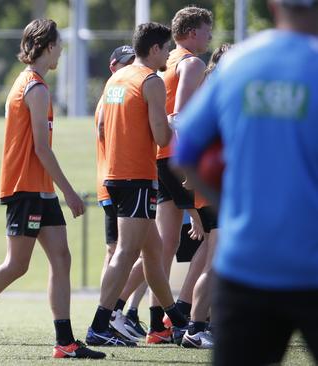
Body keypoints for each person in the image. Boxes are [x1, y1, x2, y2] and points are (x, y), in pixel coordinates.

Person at [0, 19, 105, 360]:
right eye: (58, 44)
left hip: (39, 189)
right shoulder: (35, 87)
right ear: (47, 46)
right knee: (16, 265)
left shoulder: (32, 82)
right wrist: (70, 192)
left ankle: (65, 341)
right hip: (26, 188)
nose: (61, 50)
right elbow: (42, 150)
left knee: (61, 257)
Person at [174, 0, 318, 363]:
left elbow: (185, 151)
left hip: (246, 264)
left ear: (272, 6)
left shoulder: (238, 64)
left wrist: (230, 205)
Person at [86, 22, 189, 347]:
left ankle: (179, 322)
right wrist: (174, 124)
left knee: (154, 251)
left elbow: (102, 126)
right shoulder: (150, 80)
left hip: (114, 175)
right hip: (137, 177)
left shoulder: (117, 78)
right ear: (156, 49)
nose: (170, 54)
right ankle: (100, 324)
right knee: (127, 252)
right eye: (168, 48)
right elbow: (160, 137)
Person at [148, 6, 213, 344]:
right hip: (179, 157)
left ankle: (153, 321)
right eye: (207, 30)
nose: (210, 37)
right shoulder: (192, 62)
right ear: (191, 33)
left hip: (160, 156)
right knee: (211, 236)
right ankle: (187, 314)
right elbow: (183, 113)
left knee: (164, 243)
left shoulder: (166, 59)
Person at [94, 45, 148, 342]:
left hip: (114, 179)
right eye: (125, 62)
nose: (130, 67)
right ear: (113, 65)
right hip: (117, 179)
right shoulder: (112, 94)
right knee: (122, 252)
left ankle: (118, 312)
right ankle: (109, 313)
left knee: (139, 250)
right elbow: (104, 131)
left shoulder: (119, 92)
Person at [180, 43, 231, 350]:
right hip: (214, 188)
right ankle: (196, 327)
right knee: (215, 262)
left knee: (217, 260)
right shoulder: (217, 95)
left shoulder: (210, 92)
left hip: (211, 188)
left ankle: (205, 324)